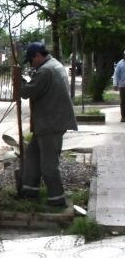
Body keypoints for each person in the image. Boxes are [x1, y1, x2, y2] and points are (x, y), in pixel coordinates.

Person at [19, 42, 78, 207]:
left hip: (50, 123)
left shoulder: (46, 70)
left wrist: (19, 80)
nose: (31, 64)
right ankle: (29, 191)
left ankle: (57, 199)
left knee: (49, 164)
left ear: (38, 55)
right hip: (48, 122)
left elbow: (26, 92)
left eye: (31, 60)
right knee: (32, 156)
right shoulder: (54, 65)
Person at [112, 50, 125, 122]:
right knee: (123, 102)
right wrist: (115, 84)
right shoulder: (120, 64)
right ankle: (123, 117)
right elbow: (116, 75)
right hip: (122, 86)